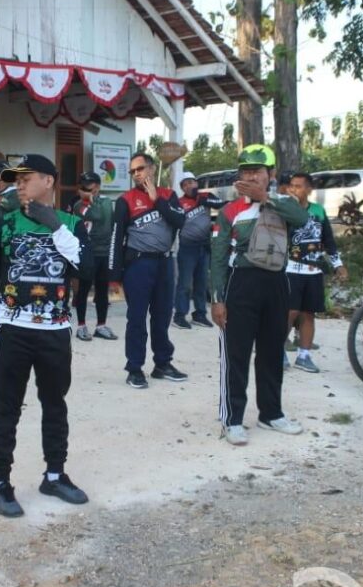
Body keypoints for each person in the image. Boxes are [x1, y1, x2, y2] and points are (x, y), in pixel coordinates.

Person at [0, 154, 92, 517]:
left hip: (55, 330)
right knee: (6, 406)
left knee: (55, 404)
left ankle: (54, 475)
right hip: (13, 328)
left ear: (50, 181)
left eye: (27, 178)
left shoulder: (71, 222)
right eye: (16, 179)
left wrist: (56, 226)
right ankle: (0, 484)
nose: (19, 183)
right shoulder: (2, 222)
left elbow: (87, 269)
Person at [211, 145, 309, 447]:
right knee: (236, 355)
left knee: (270, 351)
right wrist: (217, 298)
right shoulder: (229, 211)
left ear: (271, 174)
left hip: (277, 282)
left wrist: (266, 198)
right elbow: (217, 256)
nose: (251, 176)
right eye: (245, 171)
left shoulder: (283, 203)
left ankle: (271, 412)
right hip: (241, 283)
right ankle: (232, 419)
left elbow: (302, 219)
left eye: (258, 170)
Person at [109, 152, 187, 389]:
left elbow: (180, 221)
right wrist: (114, 275)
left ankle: (162, 364)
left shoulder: (169, 195)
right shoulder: (126, 200)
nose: (136, 174)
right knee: (136, 317)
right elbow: (116, 237)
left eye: (140, 168)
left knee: (163, 315)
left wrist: (157, 200)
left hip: (165, 262)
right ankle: (134, 368)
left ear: (152, 169)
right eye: (132, 171)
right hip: (139, 265)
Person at [284, 172, 348, 373]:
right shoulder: (286, 210)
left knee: (308, 314)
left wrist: (338, 264)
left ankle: (304, 355)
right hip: (290, 270)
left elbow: (328, 240)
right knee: (289, 313)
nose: (295, 189)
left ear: (309, 189)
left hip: (314, 271)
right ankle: (278, 350)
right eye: (292, 186)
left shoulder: (318, 211)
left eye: (299, 186)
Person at [68, 171, 117, 341]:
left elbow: (105, 219)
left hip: (104, 252)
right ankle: (81, 326)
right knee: (83, 290)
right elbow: (96, 215)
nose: (86, 188)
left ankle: (101, 326)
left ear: (97, 185)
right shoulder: (78, 205)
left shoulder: (105, 201)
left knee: (102, 291)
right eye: (83, 186)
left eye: (89, 185)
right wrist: (88, 199)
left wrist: (92, 199)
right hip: (88, 252)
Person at [173, 171, 224, 330]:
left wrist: (203, 198)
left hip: (204, 246)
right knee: (185, 283)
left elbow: (221, 204)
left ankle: (200, 314)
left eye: (191, 182)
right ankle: (179, 315)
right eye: (185, 184)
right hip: (187, 247)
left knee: (202, 282)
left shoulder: (205, 196)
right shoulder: (179, 202)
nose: (189, 186)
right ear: (182, 187)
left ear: (196, 183)